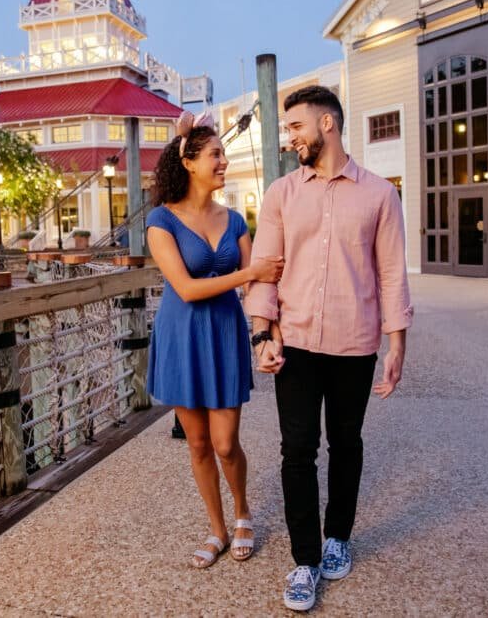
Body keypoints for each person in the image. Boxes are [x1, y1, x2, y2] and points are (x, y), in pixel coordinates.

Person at [244, 86, 413, 611]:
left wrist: (396, 343)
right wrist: (261, 335)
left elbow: (391, 273)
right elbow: (267, 273)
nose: (289, 137)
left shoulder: (381, 195)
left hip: (354, 342)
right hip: (293, 342)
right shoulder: (280, 194)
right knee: (297, 451)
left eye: (296, 127)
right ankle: (305, 560)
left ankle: (338, 534)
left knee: (346, 443)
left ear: (328, 124)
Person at [146, 110, 284, 569]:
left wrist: (266, 334)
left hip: (224, 333)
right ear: (188, 163)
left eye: (223, 154)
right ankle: (218, 529)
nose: (223, 162)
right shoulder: (161, 221)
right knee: (198, 444)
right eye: (215, 155)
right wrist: (249, 272)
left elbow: (258, 285)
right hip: (182, 334)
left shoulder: (236, 220)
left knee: (226, 443)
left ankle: (243, 513)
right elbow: (185, 288)